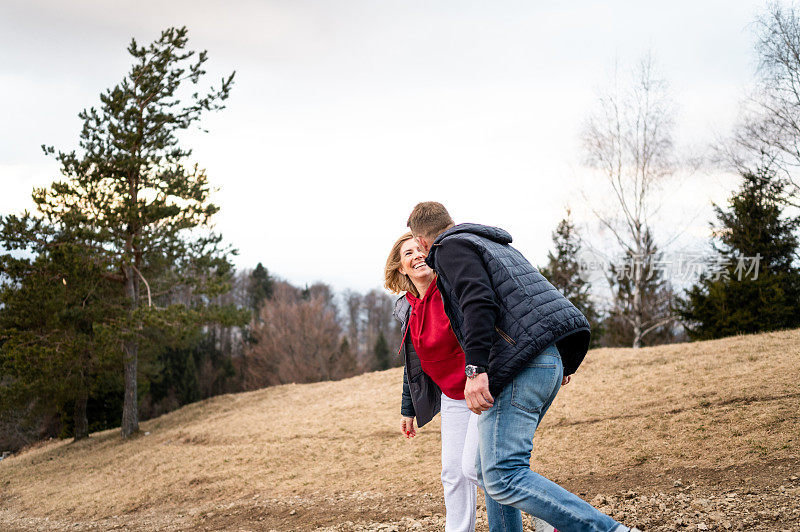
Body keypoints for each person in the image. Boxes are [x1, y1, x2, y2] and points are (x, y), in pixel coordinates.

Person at [406, 202, 642, 532]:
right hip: (546, 359)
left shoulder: (450, 247)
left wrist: (474, 370)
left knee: (503, 475)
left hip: (521, 367)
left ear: (422, 239)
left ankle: (608, 530)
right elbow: (533, 299)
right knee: (489, 471)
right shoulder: (489, 244)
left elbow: (478, 301)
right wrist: (560, 357)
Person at [385, 232, 558, 532]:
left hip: (479, 388)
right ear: (401, 268)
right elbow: (414, 363)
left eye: (419, 249)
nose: (417, 256)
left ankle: (550, 519)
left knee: (480, 469)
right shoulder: (408, 307)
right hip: (452, 398)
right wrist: (407, 408)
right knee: (453, 474)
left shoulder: (449, 289)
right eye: (408, 254)